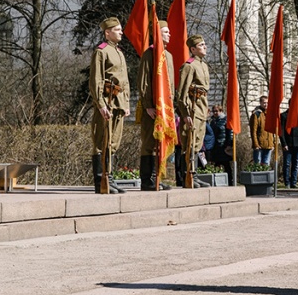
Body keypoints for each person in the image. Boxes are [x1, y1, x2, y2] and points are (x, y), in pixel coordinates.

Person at [89, 17, 130, 194]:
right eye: (117, 29)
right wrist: (101, 104)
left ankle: (110, 177)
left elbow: (125, 81)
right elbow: (96, 80)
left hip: (119, 102)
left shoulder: (119, 52)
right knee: (101, 142)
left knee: (113, 143)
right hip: (107, 101)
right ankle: (101, 181)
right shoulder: (101, 51)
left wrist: (126, 102)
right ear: (107, 32)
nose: (121, 32)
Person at [137, 19, 174, 190]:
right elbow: (144, 81)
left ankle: (157, 177)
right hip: (152, 108)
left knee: (161, 144)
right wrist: (147, 105)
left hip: (165, 109)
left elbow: (170, 85)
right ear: (157, 34)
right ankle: (147, 180)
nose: (169, 34)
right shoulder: (149, 54)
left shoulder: (169, 56)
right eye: (166, 32)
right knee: (149, 144)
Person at [175, 35, 211, 187]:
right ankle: (186, 176)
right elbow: (182, 93)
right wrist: (185, 113)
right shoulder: (189, 66)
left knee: (197, 144)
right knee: (189, 143)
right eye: (201, 45)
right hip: (193, 111)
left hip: (201, 109)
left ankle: (194, 175)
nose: (205, 47)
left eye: (204, 44)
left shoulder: (203, 65)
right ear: (193, 49)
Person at [279, 108, 298, 188]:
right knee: (287, 164)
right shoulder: (284, 116)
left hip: (297, 144)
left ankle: (293, 182)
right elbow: (282, 132)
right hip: (288, 144)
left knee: (296, 164)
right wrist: (284, 144)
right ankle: (287, 182)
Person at [249, 94, 276, 167]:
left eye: (267, 103)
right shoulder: (256, 115)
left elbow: (273, 130)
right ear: (260, 103)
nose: (266, 104)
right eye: (264, 102)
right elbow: (253, 131)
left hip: (269, 144)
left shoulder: (270, 114)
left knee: (266, 165)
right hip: (259, 145)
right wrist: (256, 144)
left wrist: (273, 143)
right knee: (257, 165)